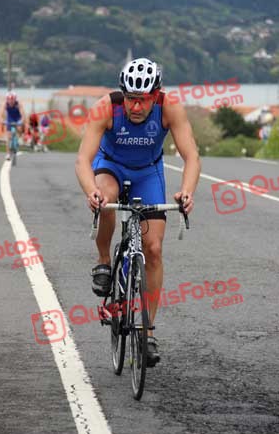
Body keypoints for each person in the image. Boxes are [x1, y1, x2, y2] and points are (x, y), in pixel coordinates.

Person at [75, 57, 201, 366]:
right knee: (106, 197)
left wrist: (187, 191)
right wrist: (90, 190)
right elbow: (82, 159)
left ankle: (147, 332)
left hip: (148, 172)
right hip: (110, 166)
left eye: (142, 100)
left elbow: (192, 156)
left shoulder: (169, 108)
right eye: (130, 98)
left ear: (155, 96)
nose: (135, 107)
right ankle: (104, 261)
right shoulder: (107, 107)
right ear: (123, 95)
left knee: (154, 249)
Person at [0, 91, 26, 160]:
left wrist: (21, 121)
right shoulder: (5, 104)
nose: (11, 101)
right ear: (7, 99)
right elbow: (0, 114)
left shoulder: (18, 104)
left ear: (15, 99)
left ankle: (19, 140)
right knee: (8, 137)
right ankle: (8, 154)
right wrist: (1, 120)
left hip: (17, 118)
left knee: (19, 128)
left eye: (12, 99)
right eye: (9, 99)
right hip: (10, 119)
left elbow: (23, 115)